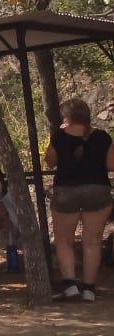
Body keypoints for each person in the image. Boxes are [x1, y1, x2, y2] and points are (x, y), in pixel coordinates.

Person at [46, 98, 113, 302]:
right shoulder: (102, 137)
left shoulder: (59, 136)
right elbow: (111, 165)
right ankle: (89, 289)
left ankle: (70, 284)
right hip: (97, 189)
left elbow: (50, 162)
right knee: (92, 242)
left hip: (66, 189)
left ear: (67, 117)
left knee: (64, 241)